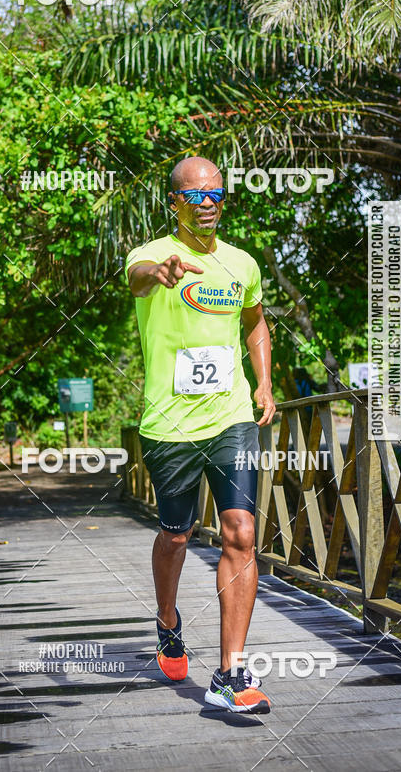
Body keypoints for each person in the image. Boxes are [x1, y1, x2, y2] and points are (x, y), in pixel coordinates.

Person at [125, 156, 276, 713]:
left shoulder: (242, 264)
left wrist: (263, 382)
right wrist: (160, 274)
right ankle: (167, 619)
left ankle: (230, 674)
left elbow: (255, 320)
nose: (208, 204)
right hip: (169, 423)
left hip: (231, 416)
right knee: (177, 536)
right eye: (196, 196)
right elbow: (139, 280)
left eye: (216, 194)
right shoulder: (149, 255)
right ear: (175, 203)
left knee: (240, 531)